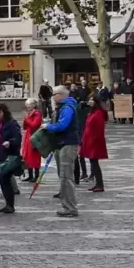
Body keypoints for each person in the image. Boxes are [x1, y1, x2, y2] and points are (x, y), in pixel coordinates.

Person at [45, 85, 81, 217]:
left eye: (54, 94)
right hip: (63, 144)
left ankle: (70, 207)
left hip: (68, 144)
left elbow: (62, 125)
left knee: (66, 177)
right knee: (64, 177)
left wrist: (48, 126)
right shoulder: (62, 107)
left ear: (61, 95)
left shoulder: (67, 108)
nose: (53, 97)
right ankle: (67, 206)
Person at [0, 103, 22, 213]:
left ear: (4, 112)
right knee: (2, 180)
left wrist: (10, 142)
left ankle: (10, 205)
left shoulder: (11, 124)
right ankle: (8, 204)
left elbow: (18, 138)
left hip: (9, 155)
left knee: (5, 179)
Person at [81, 94, 109, 192]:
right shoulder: (92, 112)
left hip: (94, 142)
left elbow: (99, 129)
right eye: (89, 100)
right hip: (90, 141)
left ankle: (100, 184)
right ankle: (97, 183)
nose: (90, 101)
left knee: (94, 163)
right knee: (93, 163)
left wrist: (93, 140)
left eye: (92, 100)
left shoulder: (98, 113)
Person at [21, 98, 43, 183]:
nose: (27, 107)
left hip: (34, 136)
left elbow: (34, 124)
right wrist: (26, 120)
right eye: (27, 106)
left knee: (35, 155)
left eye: (29, 105)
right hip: (28, 135)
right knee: (28, 156)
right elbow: (25, 127)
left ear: (34, 105)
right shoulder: (29, 114)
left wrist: (27, 118)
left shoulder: (37, 114)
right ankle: (30, 175)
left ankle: (36, 176)